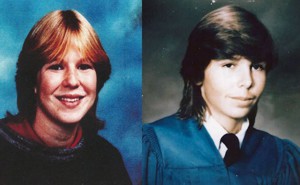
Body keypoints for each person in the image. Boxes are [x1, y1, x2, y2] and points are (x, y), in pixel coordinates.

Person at [142, 5, 300, 185]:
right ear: (197, 74)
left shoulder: (281, 157)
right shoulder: (156, 146)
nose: (247, 81)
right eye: (229, 65)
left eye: (257, 66)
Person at [0, 10, 131, 185]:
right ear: (33, 80)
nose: (72, 81)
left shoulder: (107, 159)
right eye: (56, 67)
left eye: (84, 66)